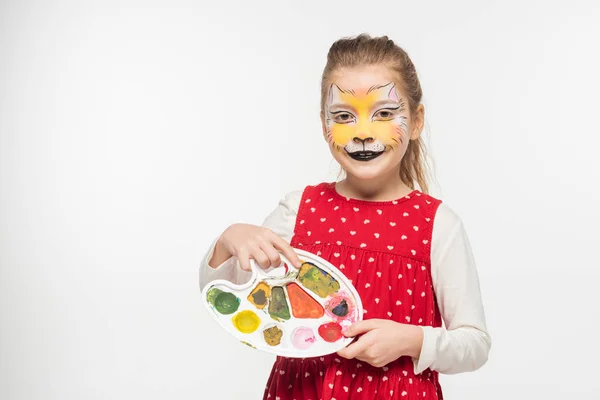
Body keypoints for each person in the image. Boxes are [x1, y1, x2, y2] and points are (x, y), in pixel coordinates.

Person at [199, 33, 491, 400]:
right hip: (303, 391)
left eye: (384, 113)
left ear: (416, 121)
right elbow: (231, 294)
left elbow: (475, 343)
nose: (364, 133)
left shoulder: (437, 224)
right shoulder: (298, 210)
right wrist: (228, 241)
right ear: (324, 124)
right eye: (343, 116)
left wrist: (411, 340)